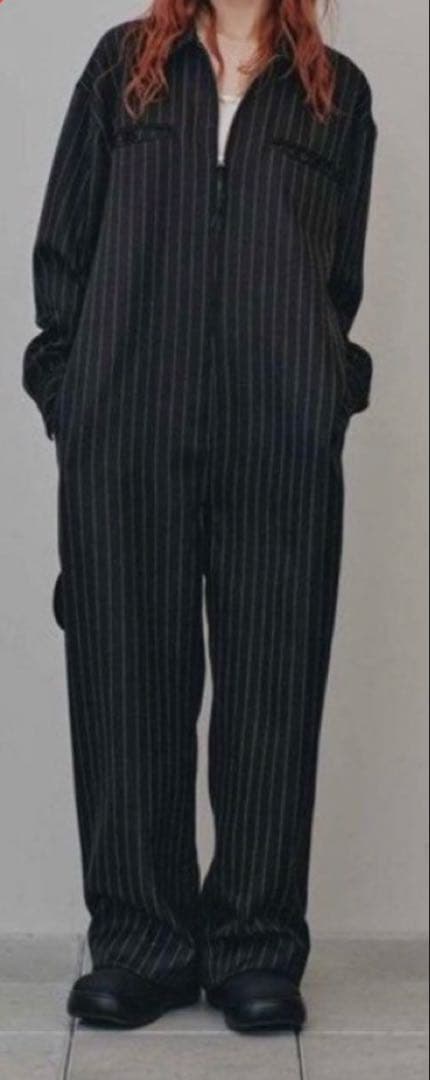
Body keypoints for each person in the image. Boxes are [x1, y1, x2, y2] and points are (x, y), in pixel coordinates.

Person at [22, 0, 378, 1035]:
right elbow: (63, 246)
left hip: (278, 436)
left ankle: (254, 948)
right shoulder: (122, 69)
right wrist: (72, 393)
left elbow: (339, 276)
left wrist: (323, 394)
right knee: (126, 678)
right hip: (127, 425)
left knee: (273, 687)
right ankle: (142, 944)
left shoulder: (335, 95)